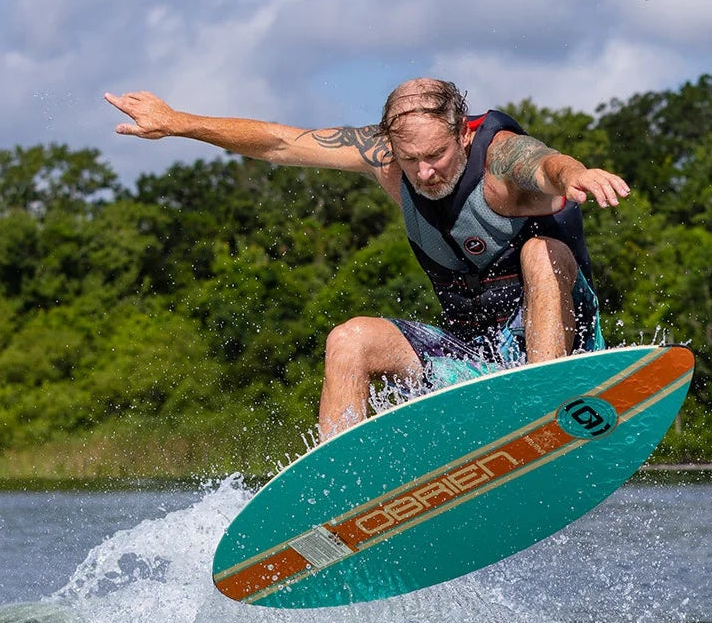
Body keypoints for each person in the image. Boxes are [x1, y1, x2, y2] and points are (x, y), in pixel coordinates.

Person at [105, 78, 630, 437]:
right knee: (350, 339)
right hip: (473, 357)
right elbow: (279, 143)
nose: (424, 173)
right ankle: (340, 493)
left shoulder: (498, 158)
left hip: (565, 347)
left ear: (462, 135)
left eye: (436, 155)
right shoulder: (386, 159)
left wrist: (575, 175)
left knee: (543, 250)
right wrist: (179, 122)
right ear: (390, 146)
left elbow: (547, 165)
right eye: (410, 159)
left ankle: (540, 409)